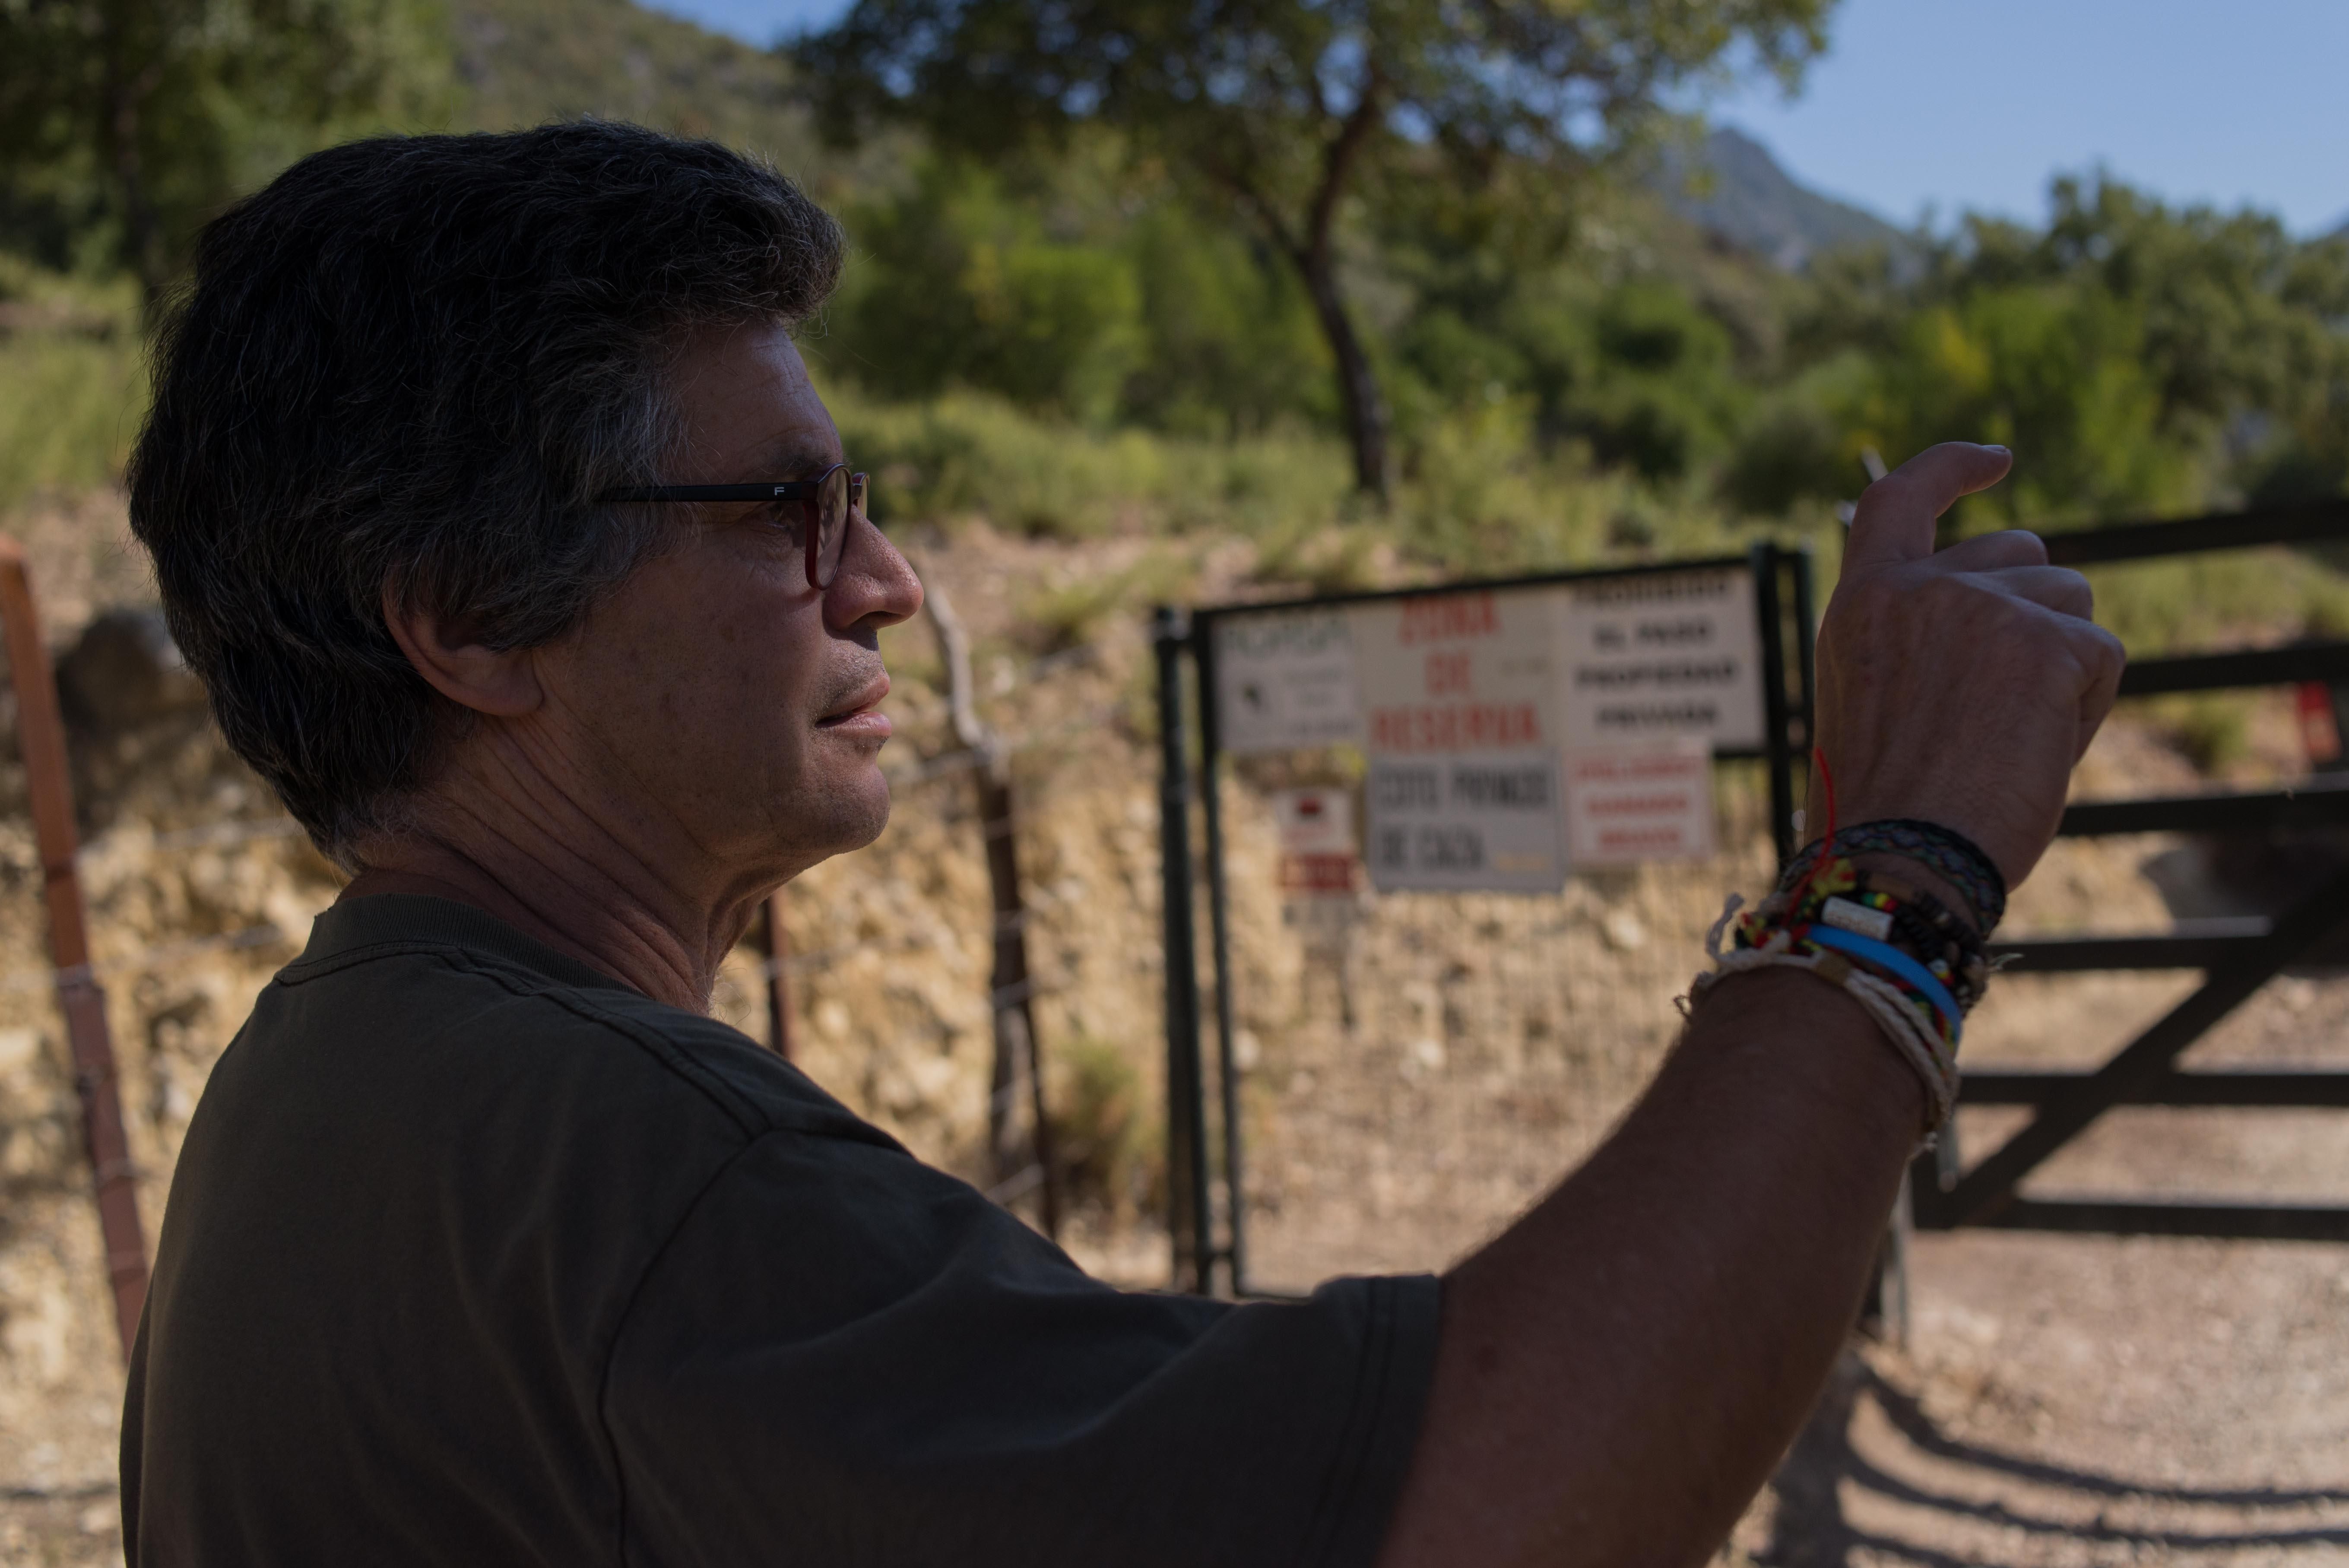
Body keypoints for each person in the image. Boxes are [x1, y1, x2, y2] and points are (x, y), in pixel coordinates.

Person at [122, 122, 2124, 1566]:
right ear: (471, 622)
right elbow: (1479, 1510)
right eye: (785, 512)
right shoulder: (622, 1163)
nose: (886, 583)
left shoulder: (345, 1075)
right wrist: (1898, 871)